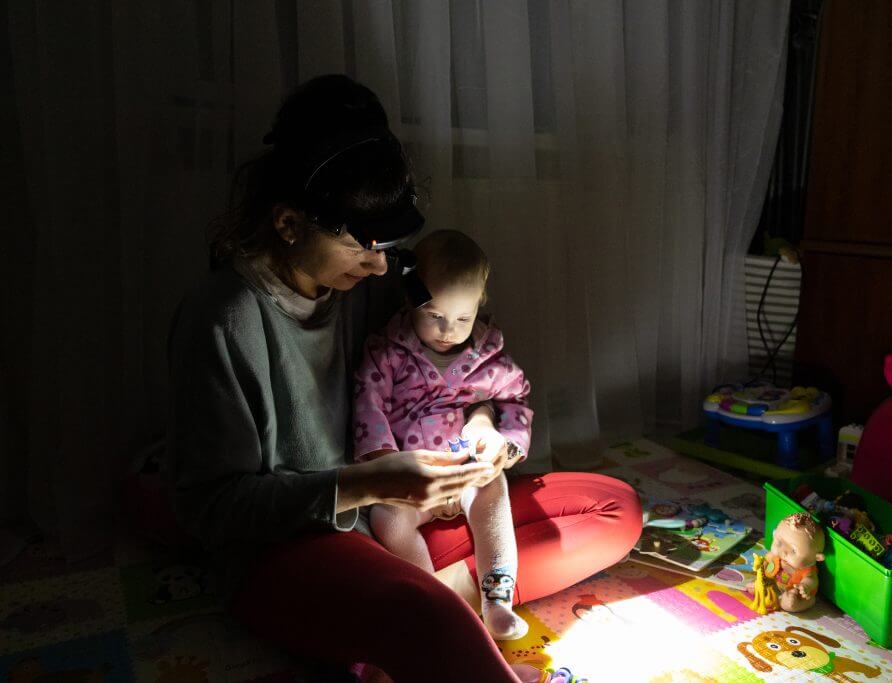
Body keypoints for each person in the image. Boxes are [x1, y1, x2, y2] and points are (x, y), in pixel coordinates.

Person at [166, 74, 642, 682]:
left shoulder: (369, 287)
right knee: (424, 615)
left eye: (392, 244)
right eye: (365, 245)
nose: (383, 265)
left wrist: (483, 425)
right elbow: (210, 509)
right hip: (294, 549)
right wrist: (366, 485)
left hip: (400, 531)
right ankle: (430, 615)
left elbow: (468, 376)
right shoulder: (222, 320)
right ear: (288, 224)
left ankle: (441, 607)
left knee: (613, 509)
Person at [355, 229, 531, 641]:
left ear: (479, 308)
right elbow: (368, 403)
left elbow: (517, 403)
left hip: (465, 469)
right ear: (409, 301)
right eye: (435, 315)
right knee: (388, 518)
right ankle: (434, 601)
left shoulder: (489, 360)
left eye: (462, 318)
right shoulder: (388, 352)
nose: (449, 330)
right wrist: (384, 464)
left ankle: (497, 600)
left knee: (494, 488)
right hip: (409, 478)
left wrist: (503, 447)